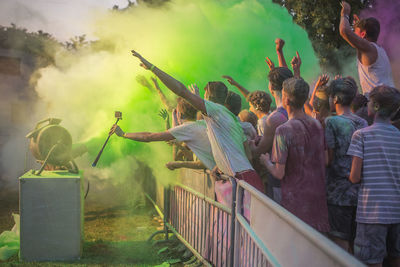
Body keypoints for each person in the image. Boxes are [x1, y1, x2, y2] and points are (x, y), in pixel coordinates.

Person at [130, 50, 264, 195]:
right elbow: (248, 156)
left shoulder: (216, 111)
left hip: (241, 180)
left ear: (208, 96)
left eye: (204, 94)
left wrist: (152, 68)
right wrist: (219, 166)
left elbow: (181, 90)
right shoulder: (231, 118)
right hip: (249, 178)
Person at [260, 77, 330, 233]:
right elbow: (325, 160)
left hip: (295, 202)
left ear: (286, 100)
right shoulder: (317, 124)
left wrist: (266, 161)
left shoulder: (283, 130)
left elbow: (279, 173)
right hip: (317, 199)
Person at [347, 85, 400, 266]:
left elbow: (355, 176)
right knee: (395, 259)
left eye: (369, 101)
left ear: (376, 106)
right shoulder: (398, 136)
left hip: (372, 213)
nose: (366, 104)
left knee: (371, 262)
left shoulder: (361, 135)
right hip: (396, 211)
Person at [109, 97, 216, 171]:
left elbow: (148, 137)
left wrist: (123, 134)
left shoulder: (187, 128)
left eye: (176, 111)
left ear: (179, 114)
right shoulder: (204, 123)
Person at [324, 77, 368, 251]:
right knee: (354, 241)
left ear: (335, 98)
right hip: (358, 192)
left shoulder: (331, 122)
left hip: (337, 193)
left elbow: (328, 158)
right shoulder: (362, 122)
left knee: (340, 243)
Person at [339, 1, 394, 96]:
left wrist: (345, 14)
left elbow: (344, 30)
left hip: (380, 105)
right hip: (390, 101)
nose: (353, 34)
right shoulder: (378, 49)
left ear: (363, 34)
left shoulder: (369, 48)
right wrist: (359, 26)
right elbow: (358, 42)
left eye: (355, 31)